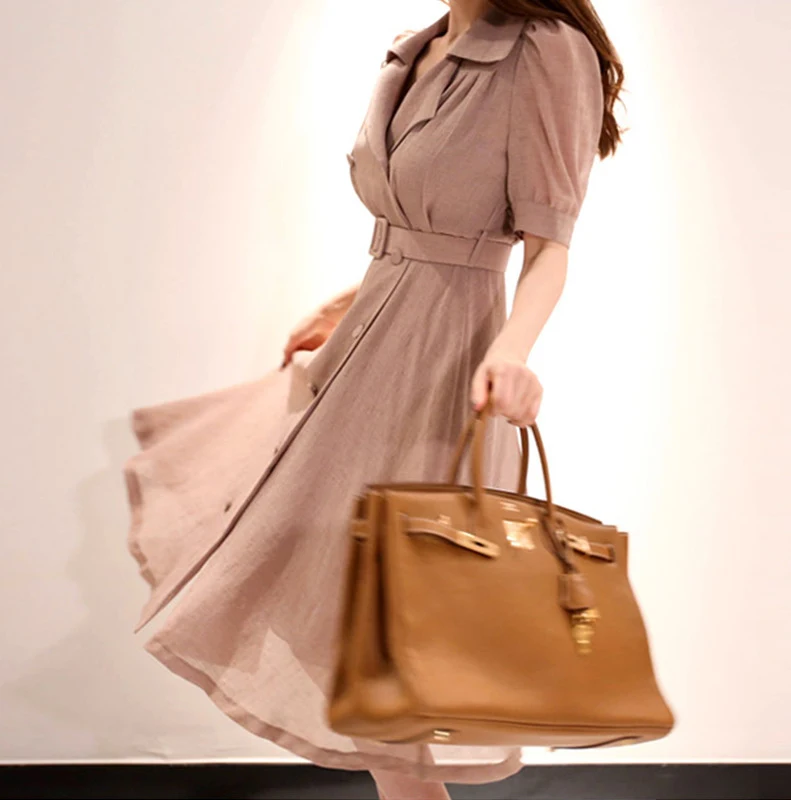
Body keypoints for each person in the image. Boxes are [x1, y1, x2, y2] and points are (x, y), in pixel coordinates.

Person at [123, 0, 625, 797]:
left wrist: (511, 351)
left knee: (393, 642)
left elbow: (549, 249)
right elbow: (413, 228)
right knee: (330, 608)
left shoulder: (547, 49)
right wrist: (350, 304)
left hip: (443, 372)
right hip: (364, 351)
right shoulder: (414, 49)